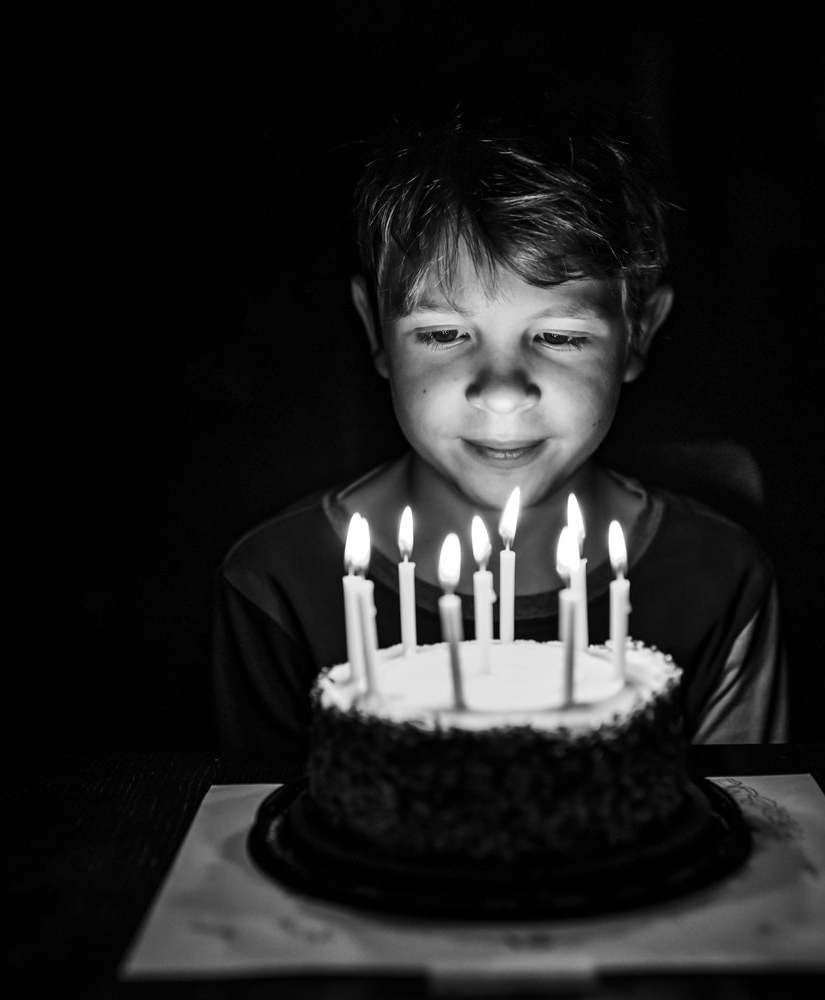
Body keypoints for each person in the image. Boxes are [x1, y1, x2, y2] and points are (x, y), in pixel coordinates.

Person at [213, 85, 787, 764]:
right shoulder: (277, 586)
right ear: (375, 330)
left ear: (637, 333)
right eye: (445, 332)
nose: (503, 392)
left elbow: (747, 810)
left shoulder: (719, 581)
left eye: (562, 337)